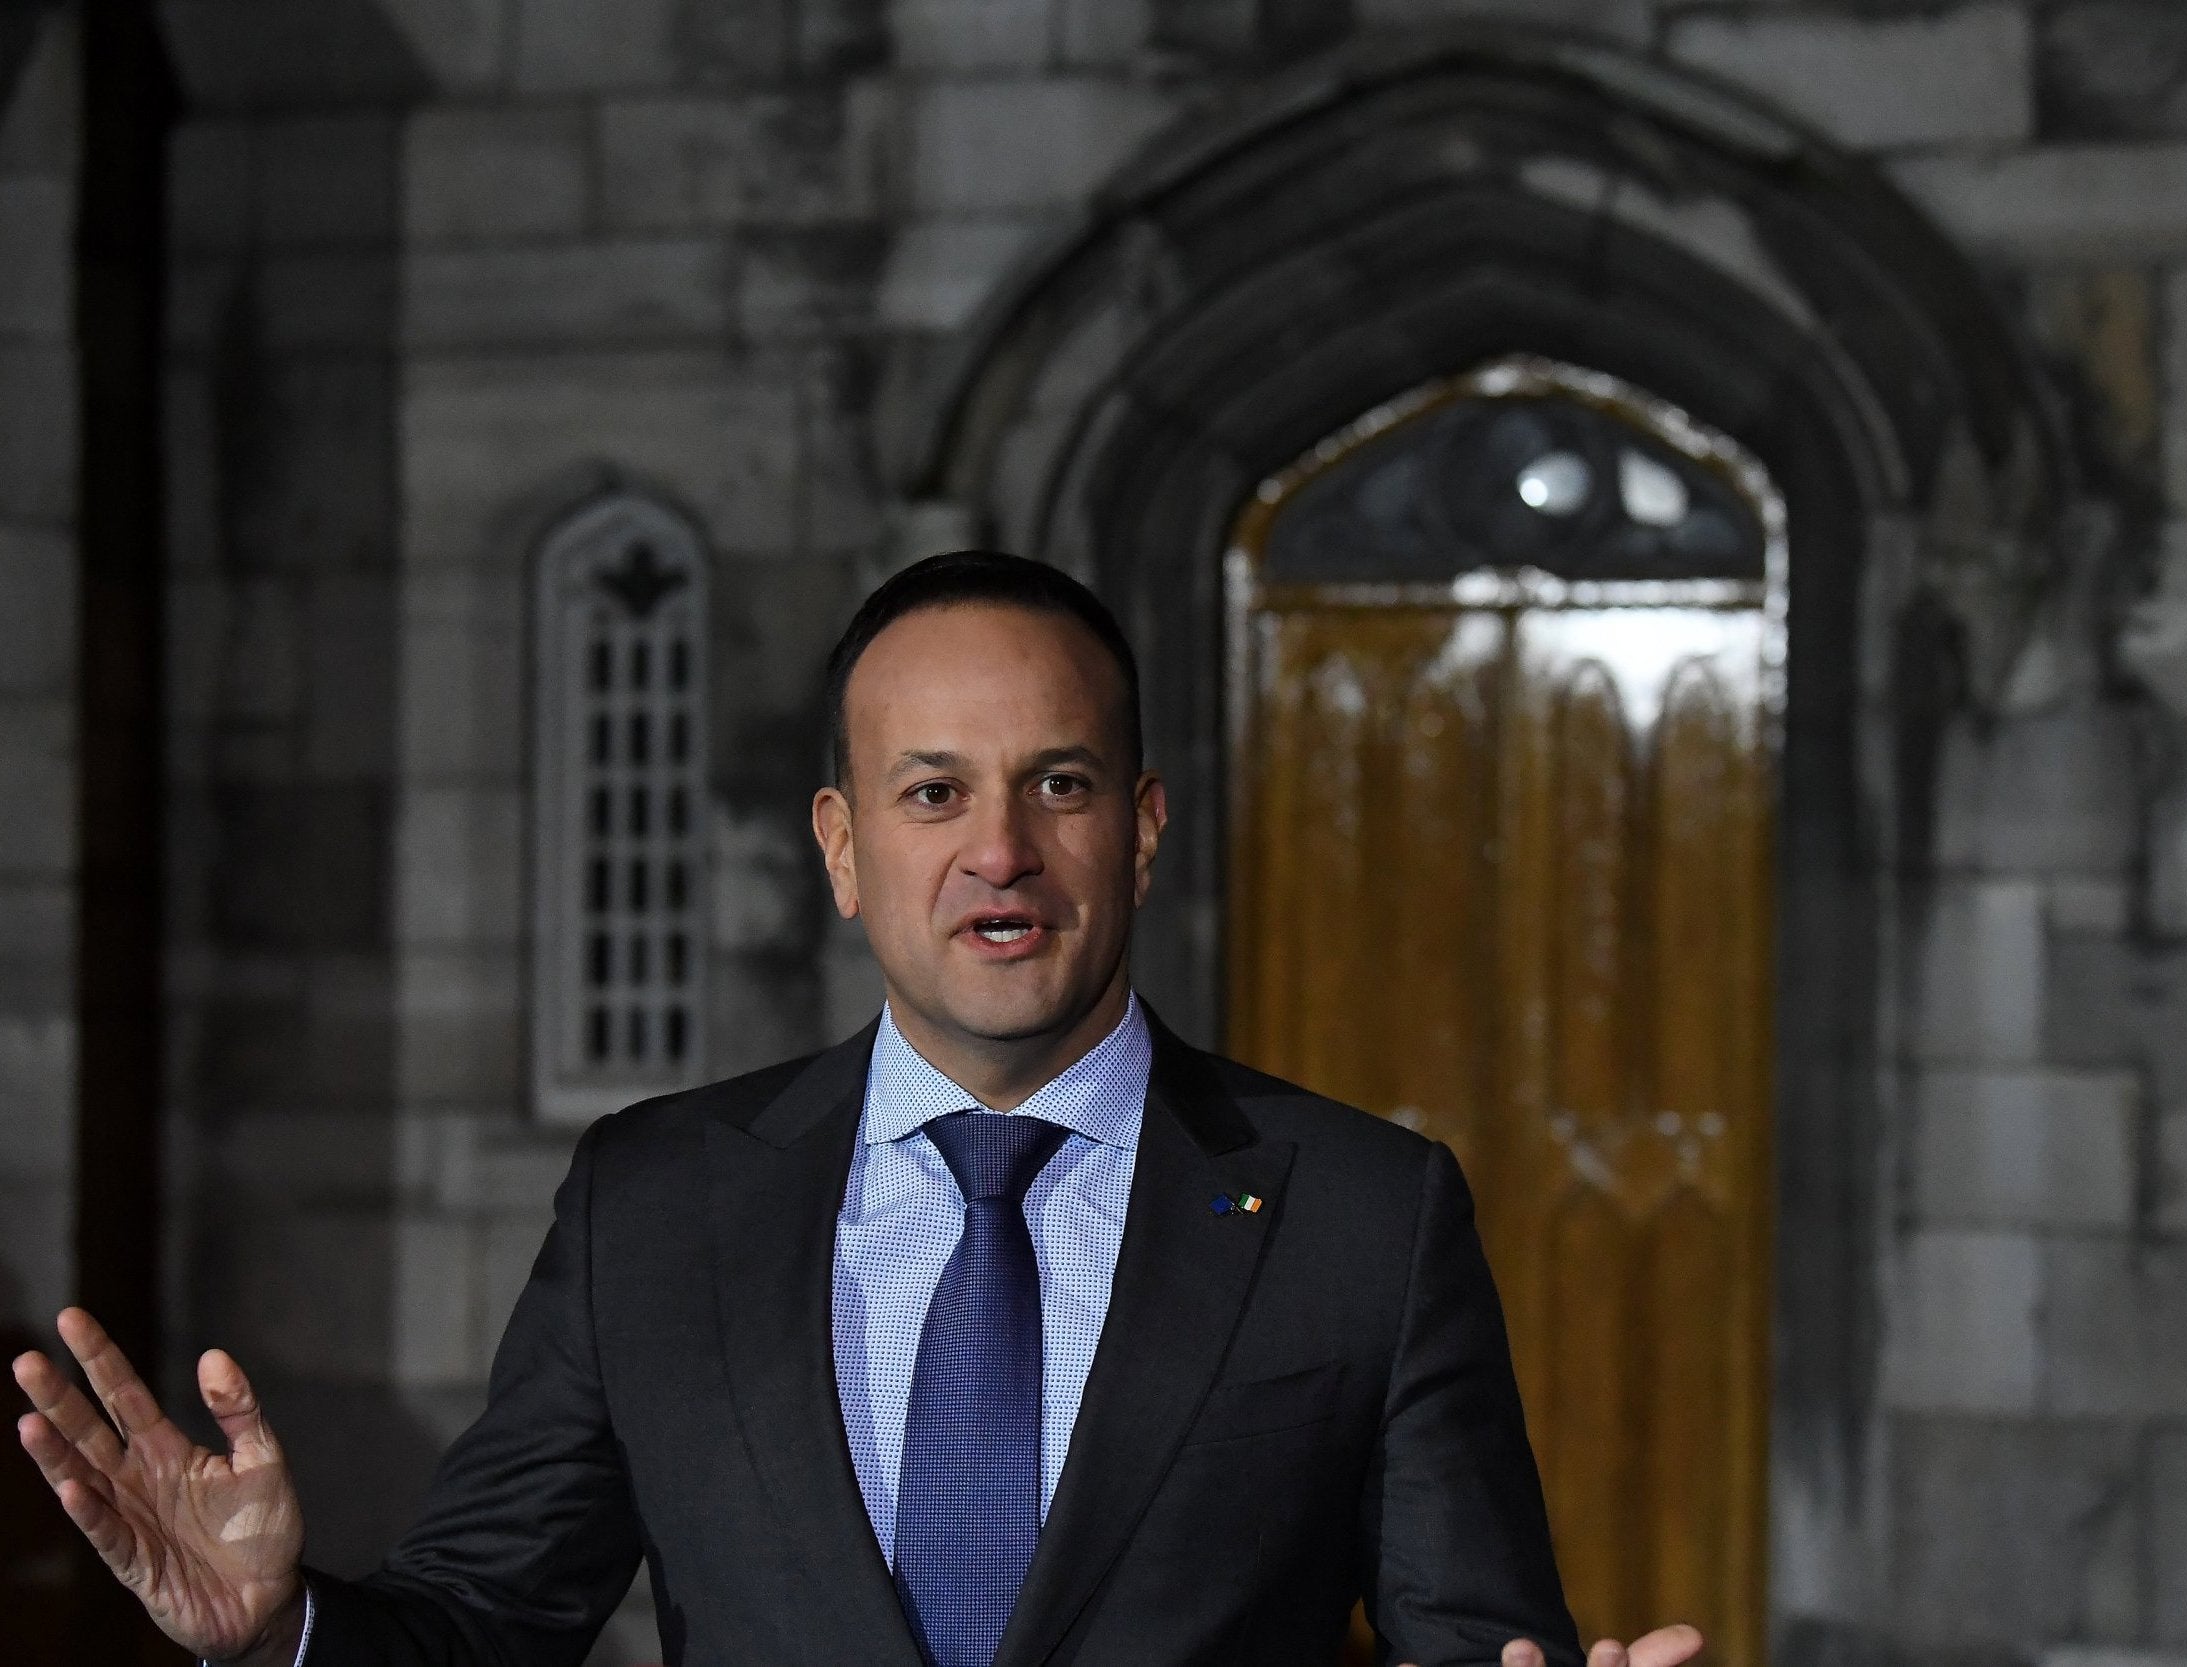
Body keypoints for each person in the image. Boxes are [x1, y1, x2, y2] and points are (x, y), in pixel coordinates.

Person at [14, 553, 1705, 1667]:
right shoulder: (654, 1203)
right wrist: (283, 1629)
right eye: (932, 792)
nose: (999, 850)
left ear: (1141, 827)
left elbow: (1469, 1640)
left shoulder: (1364, 1210)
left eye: (1058, 783)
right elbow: (483, 1627)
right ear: (841, 846)